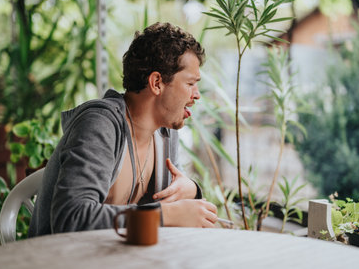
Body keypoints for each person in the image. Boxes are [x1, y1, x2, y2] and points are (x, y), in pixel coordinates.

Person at [28, 22, 218, 237]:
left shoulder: (165, 132)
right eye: (191, 83)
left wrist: (191, 189)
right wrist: (166, 215)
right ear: (156, 82)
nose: (197, 95)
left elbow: (168, 211)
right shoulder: (100, 125)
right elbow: (71, 218)